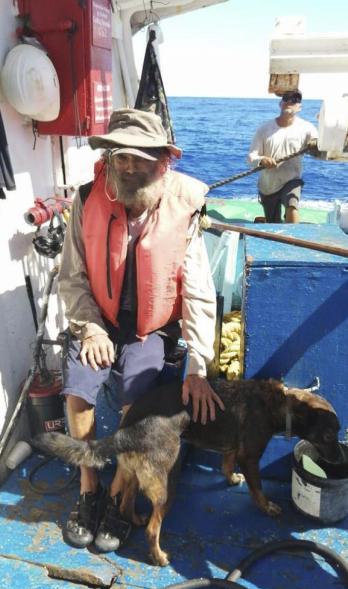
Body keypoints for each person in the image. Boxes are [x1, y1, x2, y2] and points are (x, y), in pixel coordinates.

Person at [58, 107, 224, 553]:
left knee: (139, 399)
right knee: (79, 384)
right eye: (121, 157)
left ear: (162, 162)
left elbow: (198, 289)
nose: (130, 167)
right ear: (109, 158)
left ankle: (118, 493)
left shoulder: (184, 208)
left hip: (153, 328)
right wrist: (90, 329)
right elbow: (72, 277)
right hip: (101, 321)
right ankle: (88, 485)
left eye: (142, 158)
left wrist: (199, 364)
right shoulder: (87, 197)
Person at [248, 90, 318, 223]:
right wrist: (261, 160)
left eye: (295, 100)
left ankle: (292, 241)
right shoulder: (264, 129)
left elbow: (319, 145)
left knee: (292, 205)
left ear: (299, 107)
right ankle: (266, 222)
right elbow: (251, 157)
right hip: (268, 185)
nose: (290, 102)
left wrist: (315, 144)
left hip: (292, 180)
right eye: (286, 98)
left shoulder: (308, 128)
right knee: (272, 223)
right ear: (280, 103)